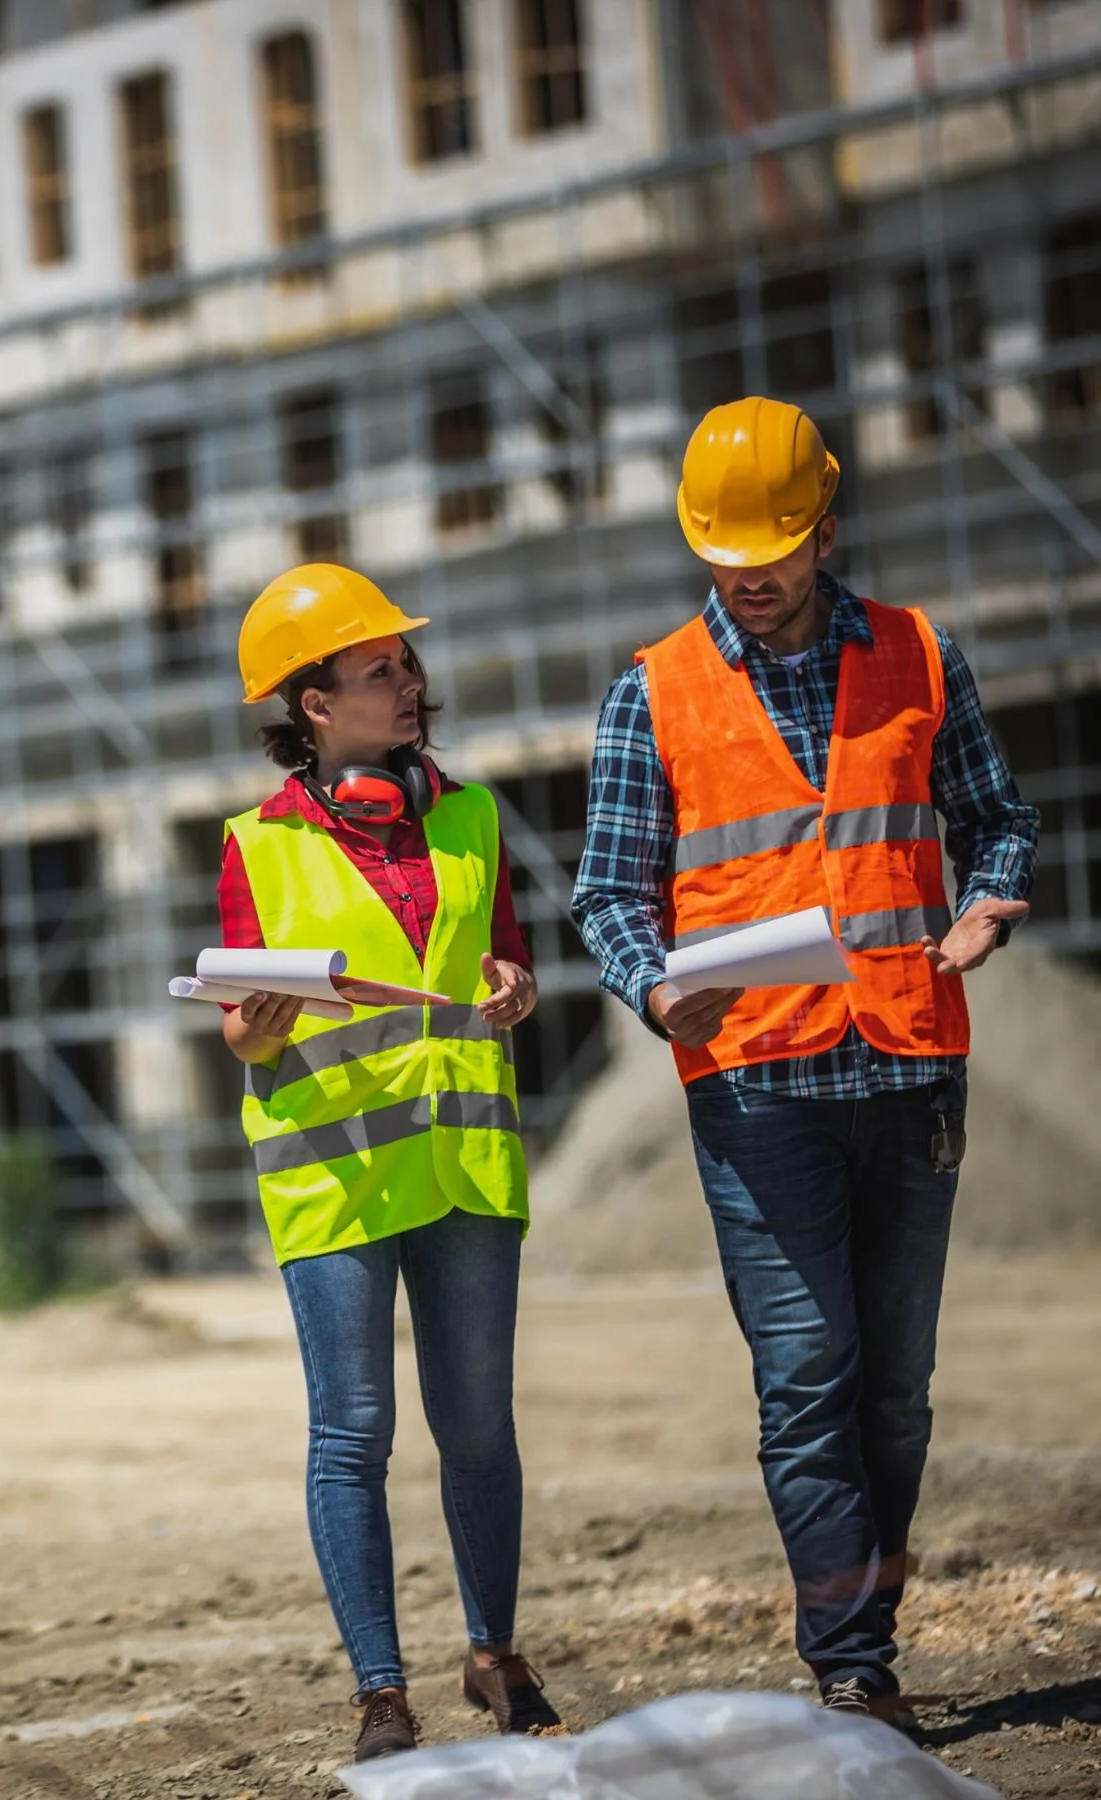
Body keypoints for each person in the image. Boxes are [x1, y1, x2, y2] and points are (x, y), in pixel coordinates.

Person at [571, 397, 1039, 1723]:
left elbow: (997, 816)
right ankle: (851, 1662)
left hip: (910, 1068)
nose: (749, 576)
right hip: (757, 1089)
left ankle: (864, 1618)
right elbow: (610, 895)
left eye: (774, 547)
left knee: (893, 1385)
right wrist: (653, 990)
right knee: (810, 1374)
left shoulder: (921, 655)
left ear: (828, 527)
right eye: (725, 554)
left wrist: (989, 900)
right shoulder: (648, 693)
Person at [219, 562, 561, 1763]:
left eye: (407, 663)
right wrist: (248, 1029)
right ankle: (380, 1691)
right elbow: (241, 1016)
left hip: (464, 1168)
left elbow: (507, 961)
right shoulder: (254, 846)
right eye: (378, 671)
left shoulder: (469, 816)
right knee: (352, 1433)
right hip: (335, 1177)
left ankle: (493, 1651)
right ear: (315, 706)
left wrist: (514, 988)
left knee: (478, 1425)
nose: (408, 683)